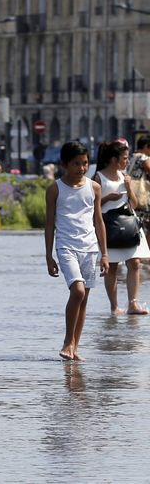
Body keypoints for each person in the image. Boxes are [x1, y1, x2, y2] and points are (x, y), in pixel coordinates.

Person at [45, 141, 109, 361]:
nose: (81, 168)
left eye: (85, 163)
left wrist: (105, 254)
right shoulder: (55, 189)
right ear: (65, 164)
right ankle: (67, 341)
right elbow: (49, 223)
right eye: (76, 164)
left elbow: (98, 221)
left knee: (84, 299)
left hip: (90, 248)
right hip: (66, 247)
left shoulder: (94, 187)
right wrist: (48, 256)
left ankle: (74, 347)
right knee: (78, 291)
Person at [93, 141, 150, 315]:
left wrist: (128, 187)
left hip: (128, 223)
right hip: (109, 226)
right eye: (124, 158)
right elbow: (92, 205)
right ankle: (114, 306)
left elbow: (134, 203)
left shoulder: (125, 175)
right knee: (113, 266)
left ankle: (133, 303)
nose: (127, 161)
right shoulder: (98, 178)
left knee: (135, 262)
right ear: (113, 159)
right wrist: (108, 198)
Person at [128, 136, 150, 236]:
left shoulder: (130, 157)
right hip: (142, 197)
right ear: (146, 146)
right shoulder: (144, 158)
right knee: (147, 227)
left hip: (132, 196)